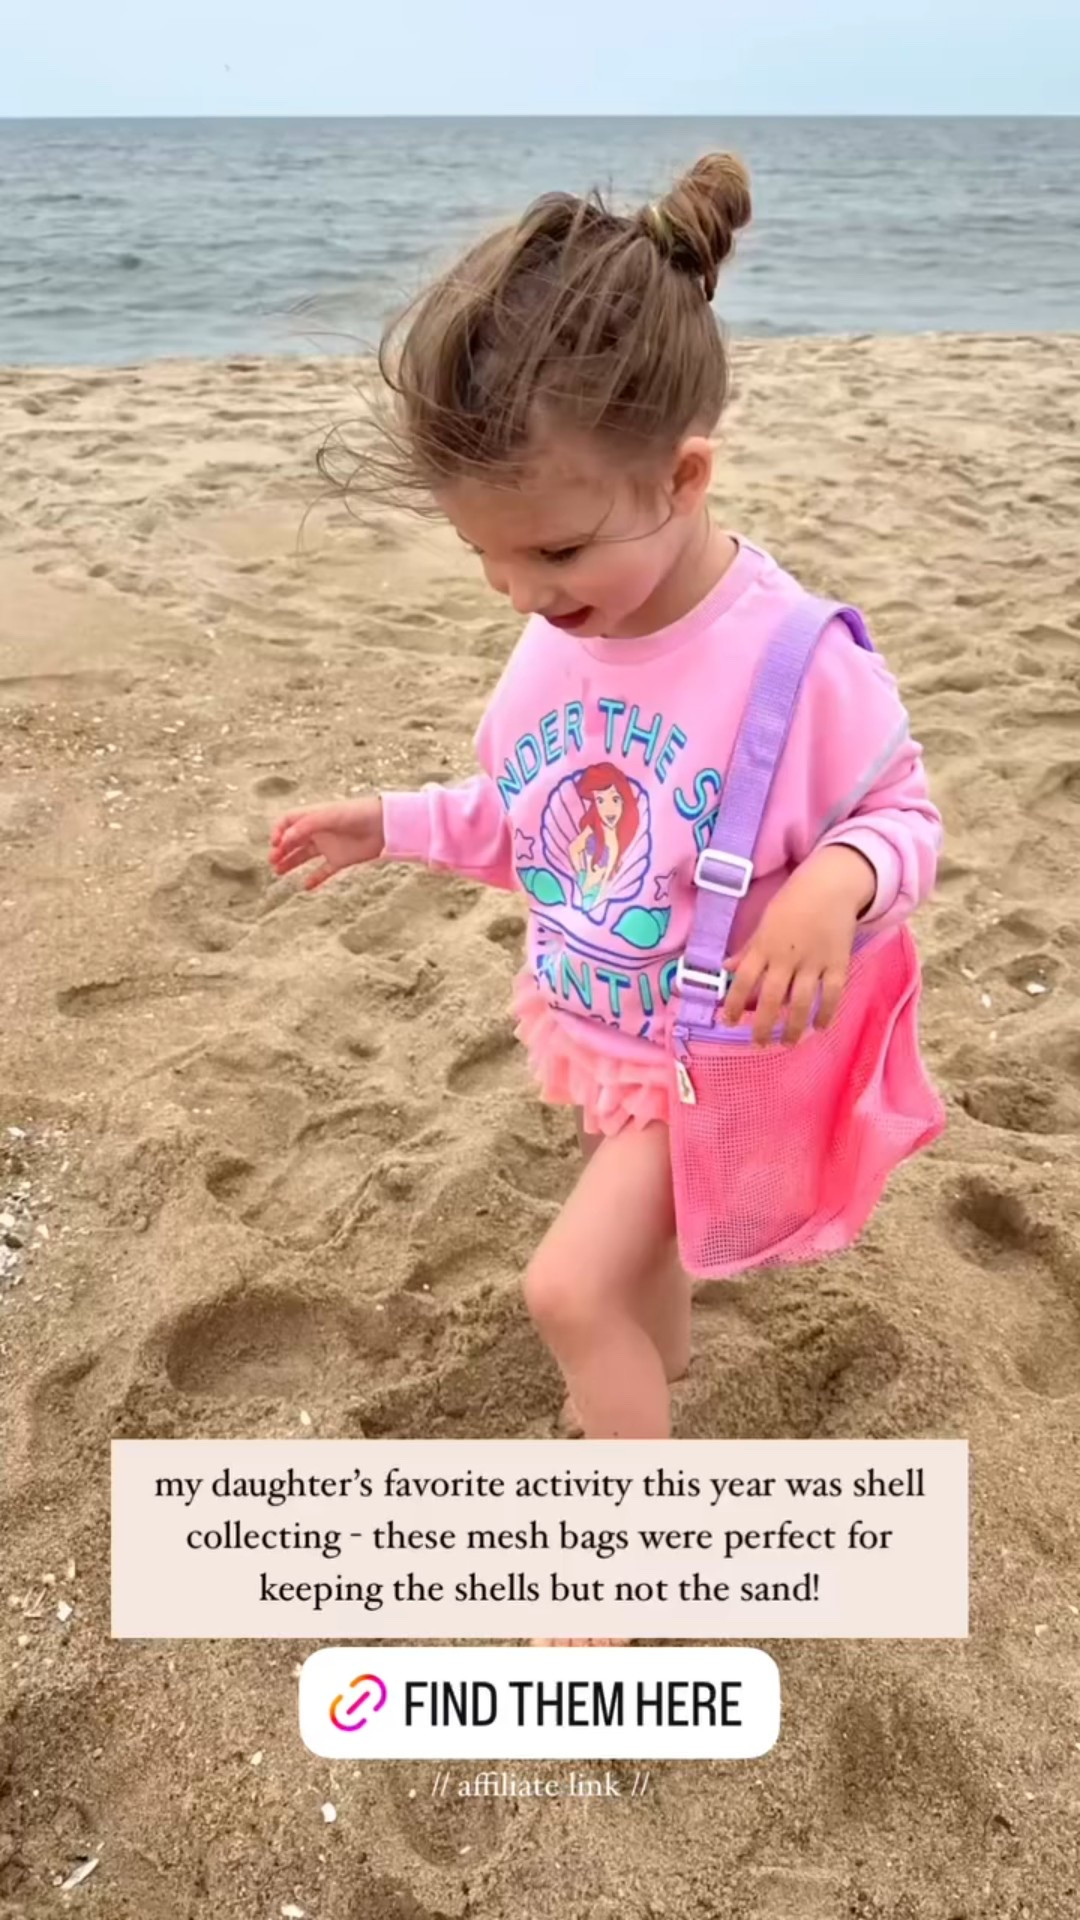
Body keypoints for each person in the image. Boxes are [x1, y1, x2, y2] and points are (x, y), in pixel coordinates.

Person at [270, 153, 943, 1466]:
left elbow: (905, 814)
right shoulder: (562, 635)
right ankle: (664, 1359)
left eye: (557, 550)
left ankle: (620, 1547)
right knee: (638, 1290)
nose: (518, 590)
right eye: (486, 554)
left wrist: (833, 883)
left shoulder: (796, 660)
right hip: (616, 1022)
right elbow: (539, 824)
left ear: (683, 480)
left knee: (568, 1292)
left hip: (719, 1049)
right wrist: (388, 823)